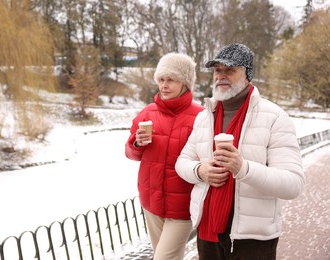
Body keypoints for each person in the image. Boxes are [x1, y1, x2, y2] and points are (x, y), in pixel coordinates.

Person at [175, 43, 305, 259]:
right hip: (208, 231)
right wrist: (200, 171)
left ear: (248, 75)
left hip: (253, 238)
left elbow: (293, 184)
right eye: (218, 70)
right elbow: (182, 162)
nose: (221, 76)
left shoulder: (274, 117)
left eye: (230, 70)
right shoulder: (204, 116)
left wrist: (243, 168)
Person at [125, 52, 205, 260]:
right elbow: (130, 153)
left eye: (171, 79)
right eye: (161, 79)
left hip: (182, 205)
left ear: (185, 82)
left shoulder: (201, 116)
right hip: (151, 201)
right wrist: (136, 143)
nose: (164, 85)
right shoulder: (147, 113)